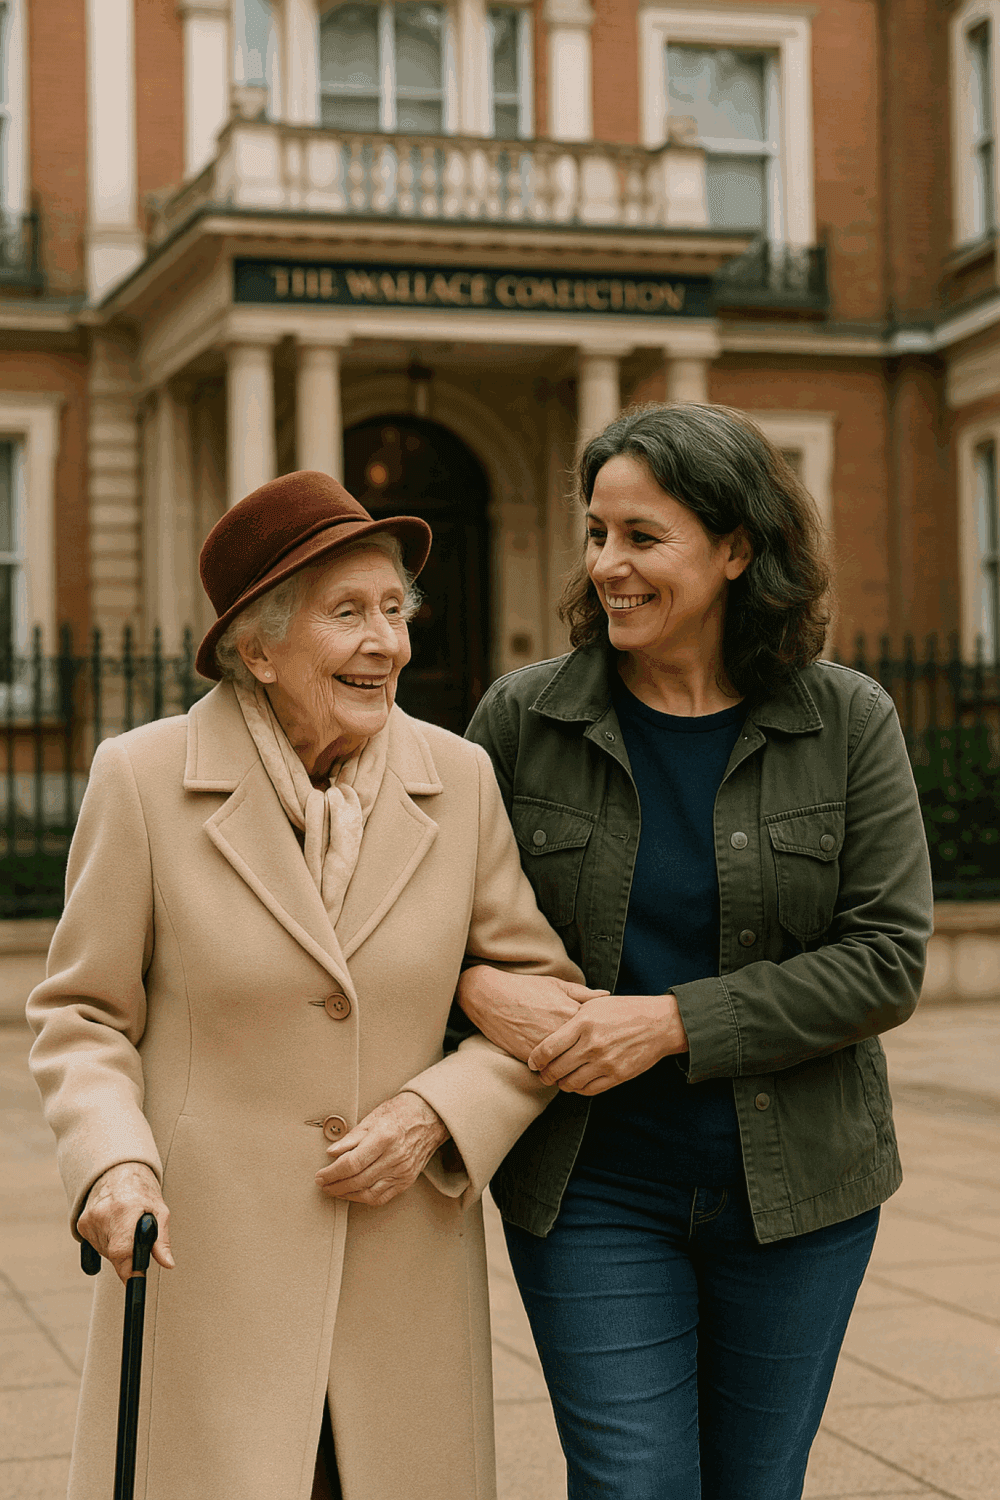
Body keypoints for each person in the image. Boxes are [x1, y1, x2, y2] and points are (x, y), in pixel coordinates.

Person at [27, 470, 588, 1500]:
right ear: (258, 649)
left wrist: (435, 1112)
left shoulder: (458, 779)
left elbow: (538, 993)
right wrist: (112, 1163)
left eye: (395, 610)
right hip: (209, 1266)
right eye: (349, 614)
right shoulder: (142, 779)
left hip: (401, 1265)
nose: (388, 644)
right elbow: (83, 1013)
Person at [459, 403, 934, 1500]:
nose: (607, 566)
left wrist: (671, 1022)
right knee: (632, 1483)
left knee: (756, 1486)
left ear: (736, 549)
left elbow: (885, 958)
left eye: (642, 536)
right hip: (593, 1187)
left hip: (800, 1192)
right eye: (596, 533)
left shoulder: (847, 720)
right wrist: (476, 985)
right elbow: (424, 923)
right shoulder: (523, 720)